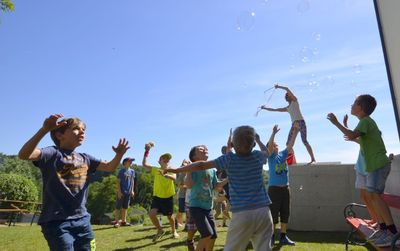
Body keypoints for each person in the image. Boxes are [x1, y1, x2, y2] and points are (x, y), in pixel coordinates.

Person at [18, 114, 129, 251]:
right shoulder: (52, 153)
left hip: (83, 220)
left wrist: (119, 155)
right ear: (60, 135)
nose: (82, 131)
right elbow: (24, 155)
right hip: (56, 222)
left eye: (84, 129)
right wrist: (44, 130)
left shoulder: (86, 159)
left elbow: (110, 167)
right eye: (76, 128)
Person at [165, 126, 273, 251]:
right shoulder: (258, 156)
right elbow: (267, 152)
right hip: (264, 211)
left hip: (242, 213)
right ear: (253, 144)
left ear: (233, 144)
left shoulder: (229, 159)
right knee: (263, 248)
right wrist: (259, 141)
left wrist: (176, 170)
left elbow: (200, 165)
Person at [327, 94, 398, 247]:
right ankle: (384, 229)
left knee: (376, 197)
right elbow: (358, 138)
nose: (351, 105)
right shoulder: (365, 123)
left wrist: (336, 123)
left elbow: (352, 134)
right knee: (373, 197)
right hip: (374, 166)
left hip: (378, 165)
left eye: (354, 103)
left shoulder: (366, 121)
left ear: (361, 108)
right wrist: (351, 135)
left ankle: (392, 233)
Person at [261, 83, 316, 164]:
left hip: (301, 122)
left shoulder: (295, 101)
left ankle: (313, 159)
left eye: (287, 95)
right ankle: (293, 161)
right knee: (288, 144)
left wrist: (278, 86)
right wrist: (264, 108)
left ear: (290, 96)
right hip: (294, 125)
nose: (286, 96)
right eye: (286, 96)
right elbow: (275, 109)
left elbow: (287, 88)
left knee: (304, 141)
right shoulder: (287, 108)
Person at [266, 123, 299, 246]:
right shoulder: (270, 157)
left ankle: (283, 237)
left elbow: (291, 145)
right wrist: (273, 134)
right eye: (274, 145)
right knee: (273, 214)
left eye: (276, 145)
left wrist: (295, 132)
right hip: (274, 190)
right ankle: (271, 237)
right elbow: (269, 147)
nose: (276, 146)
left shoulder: (283, 155)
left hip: (286, 189)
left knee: (285, 213)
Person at [141, 142, 179, 241]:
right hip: (157, 197)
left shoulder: (171, 170)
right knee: (151, 214)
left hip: (168, 197)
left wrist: (166, 175)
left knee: (170, 217)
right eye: (164, 158)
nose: (166, 160)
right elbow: (144, 164)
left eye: (168, 159)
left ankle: (174, 231)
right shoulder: (156, 170)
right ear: (160, 161)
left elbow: (174, 178)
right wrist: (147, 151)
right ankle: (160, 230)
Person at [114, 157, 137, 227]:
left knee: (125, 207)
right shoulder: (121, 171)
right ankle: (117, 222)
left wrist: (132, 190)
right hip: (121, 192)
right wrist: (119, 192)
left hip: (128, 192)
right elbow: (118, 182)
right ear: (125, 162)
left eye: (131, 161)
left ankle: (124, 221)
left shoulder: (132, 171)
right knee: (118, 207)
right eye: (130, 161)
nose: (131, 162)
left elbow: (132, 181)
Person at [175, 160, 190, 230]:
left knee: (188, 211)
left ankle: (187, 226)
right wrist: (188, 186)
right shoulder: (181, 173)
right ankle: (175, 220)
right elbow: (179, 185)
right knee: (181, 210)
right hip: (182, 195)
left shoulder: (190, 172)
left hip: (189, 195)